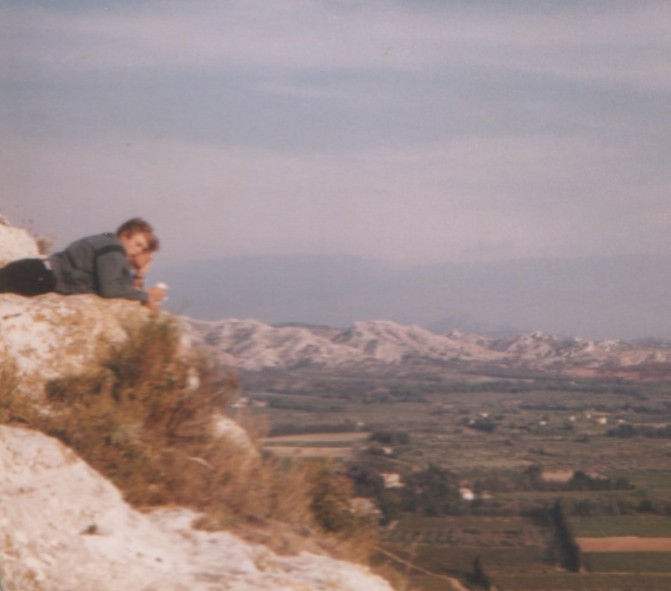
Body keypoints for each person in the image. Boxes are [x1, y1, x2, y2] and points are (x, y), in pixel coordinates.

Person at [0, 218, 166, 311]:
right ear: (124, 235)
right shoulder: (114, 248)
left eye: (142, 249)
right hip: (38, 276)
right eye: (138, 244)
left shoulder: (108, 238)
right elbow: (110, 289)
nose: (137, 252)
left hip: (35, 270)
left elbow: (122, 285)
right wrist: (147, 296)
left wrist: (140, 273)